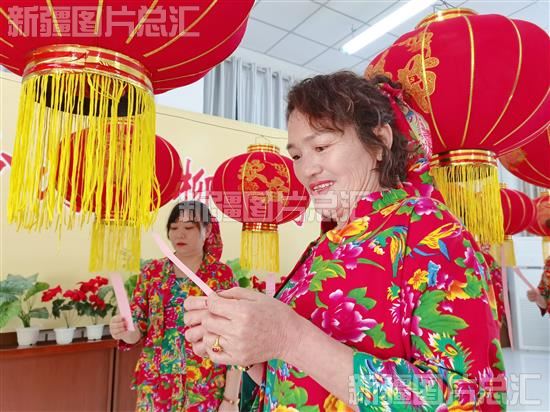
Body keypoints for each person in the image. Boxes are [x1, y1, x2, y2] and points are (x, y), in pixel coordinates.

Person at [183, 72, 506, 411]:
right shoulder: (323, 247)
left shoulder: (427, 228)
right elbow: (300, 377)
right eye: (297, 156)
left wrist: (290, 337)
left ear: (379, 142)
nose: (307, 169)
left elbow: (463, 398)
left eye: (321, 147)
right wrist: (251, 347)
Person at [109, 200, 241, 411]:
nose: (180, 234)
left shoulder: (220, 275)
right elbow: (136, 332)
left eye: (188, 228)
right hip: (155, 385)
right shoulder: (152, 272)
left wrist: (230, 400)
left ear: (207, 230)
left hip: (205, 385)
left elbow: (234, 338)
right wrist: (124, 330)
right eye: (174, 227)